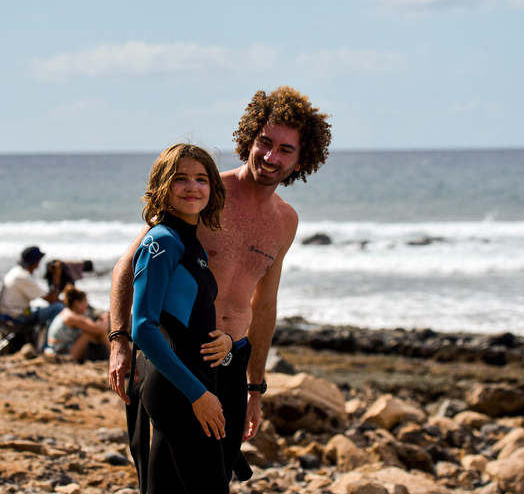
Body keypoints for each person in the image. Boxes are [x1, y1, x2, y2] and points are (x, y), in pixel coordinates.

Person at [109, 86, 332, 483]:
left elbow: (265, 304)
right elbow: (129, 265)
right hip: (177, 356)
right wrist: (119, 340)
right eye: (265, 142)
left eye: (285, 150)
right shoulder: (206, 192)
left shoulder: (286, 221)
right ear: (249, 140)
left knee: (213, 479)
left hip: (232, 362)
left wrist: (255, 387)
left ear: (301, 161)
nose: (270, 156)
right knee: (164, 480)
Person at [126, 143, 230, 493]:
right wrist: (197, 394)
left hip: (187, 386)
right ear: (162, 186)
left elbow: (191, 318)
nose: (192, 187)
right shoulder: (162, 241)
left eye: (201, 179)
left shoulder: (191, 243)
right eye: (180, 178)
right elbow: (142, 326)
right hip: (178, 391)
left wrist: (225, 343)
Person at [0, 246, 65, 348]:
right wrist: (56, 276)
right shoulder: (23, 277)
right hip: (18, 316)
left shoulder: (16, 272)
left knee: (52, 307)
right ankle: (48, 347)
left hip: (11, 312)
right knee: (58, 308)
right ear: (35, 262)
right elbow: (53, 300)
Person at [44, 285, 110, 363]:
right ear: (76, 303)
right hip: (62, 354)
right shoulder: (72, 317)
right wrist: (106, 319)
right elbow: (99, 329)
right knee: (90, 334)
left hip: (57, 350)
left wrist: (100, 323)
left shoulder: (67, 313)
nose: (86, 305)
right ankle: (114, 355)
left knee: (92, 332)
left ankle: (112, 355)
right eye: (84, 302)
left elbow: (94, 327)